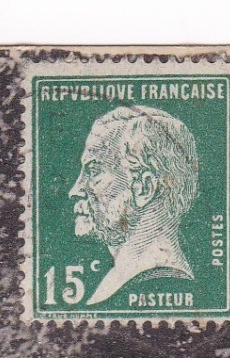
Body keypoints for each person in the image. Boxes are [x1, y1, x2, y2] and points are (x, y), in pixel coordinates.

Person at [69, 105, 199, 305]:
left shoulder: (162, 283)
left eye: (94, 171)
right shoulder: (119, 281)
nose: (75, 190)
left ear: (144, 188)